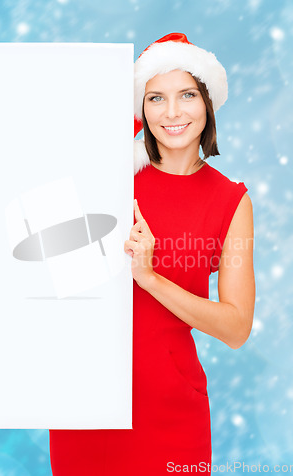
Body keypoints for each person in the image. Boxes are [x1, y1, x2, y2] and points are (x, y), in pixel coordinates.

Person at [49, 32, 255, 476]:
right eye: (156, 98)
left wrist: (150, 278)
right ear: (141, 109)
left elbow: (236, 327)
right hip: (87, 404)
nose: (173, 112)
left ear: (207, 104)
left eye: (186, 95)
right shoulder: (104, 180)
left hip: (172, 413)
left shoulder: (231, 201)